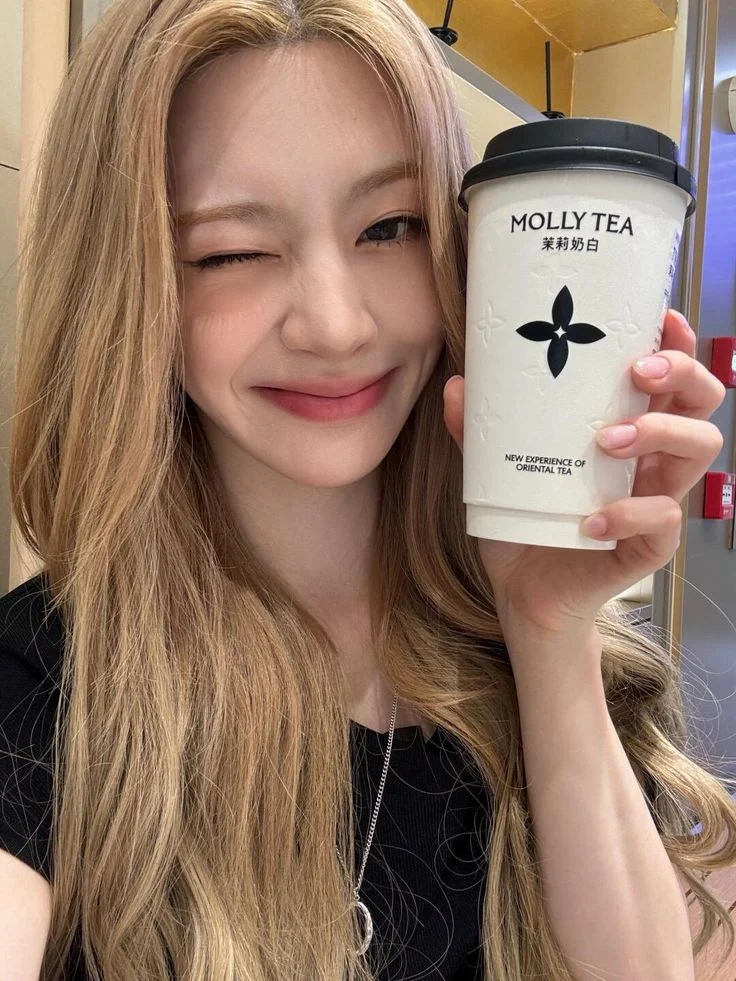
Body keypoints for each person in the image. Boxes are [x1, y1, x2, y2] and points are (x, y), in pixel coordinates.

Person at [1, 0, 735, 979]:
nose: (337, 326)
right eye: (230, 252)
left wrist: (548, 633)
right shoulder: (45, 684)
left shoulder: (527, 643)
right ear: (130, 292)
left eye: (390, 227)